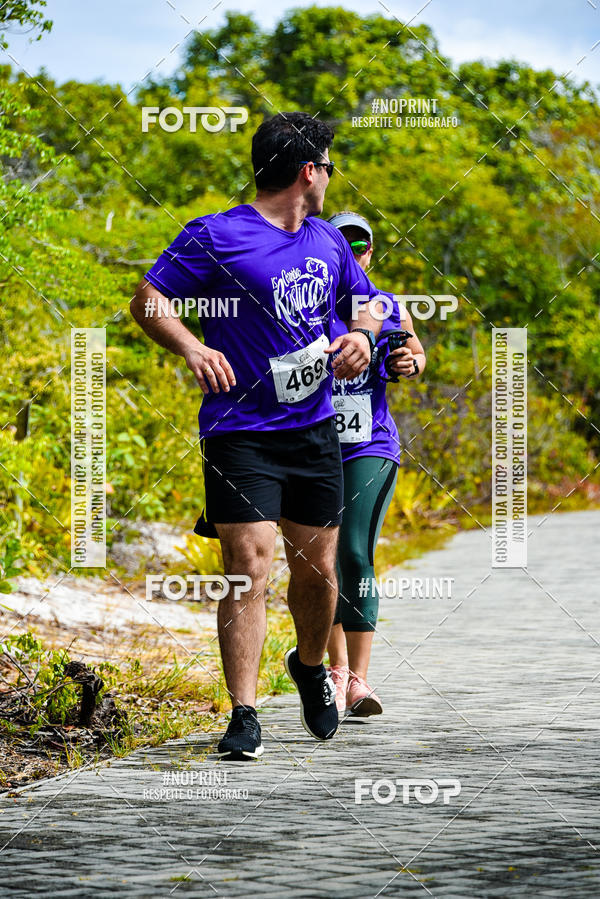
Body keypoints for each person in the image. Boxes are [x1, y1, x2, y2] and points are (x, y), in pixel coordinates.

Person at [130, 113, 385, 760]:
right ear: (308, 171)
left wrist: (360, 334)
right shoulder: (217, 234)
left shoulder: (329, 241)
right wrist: (190, 345)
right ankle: (243, 712)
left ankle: (306, 666)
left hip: (312, 430)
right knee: (248, 567)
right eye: (327, 165)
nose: (329, 176)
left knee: (319, 570)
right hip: (237, 429)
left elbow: (370, 302)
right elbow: (150, 298)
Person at [325, 211, 426, 717]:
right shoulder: (302, 300)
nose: (355, 254)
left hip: (369, 446)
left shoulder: (384, 304)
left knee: (354, 553)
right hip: (309, 446)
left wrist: (408, 361)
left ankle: (358, 681)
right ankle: (335, 669)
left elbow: (414, 353)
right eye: (345, 245)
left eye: (362, 248)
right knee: (318, 562)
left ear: (371, 253)